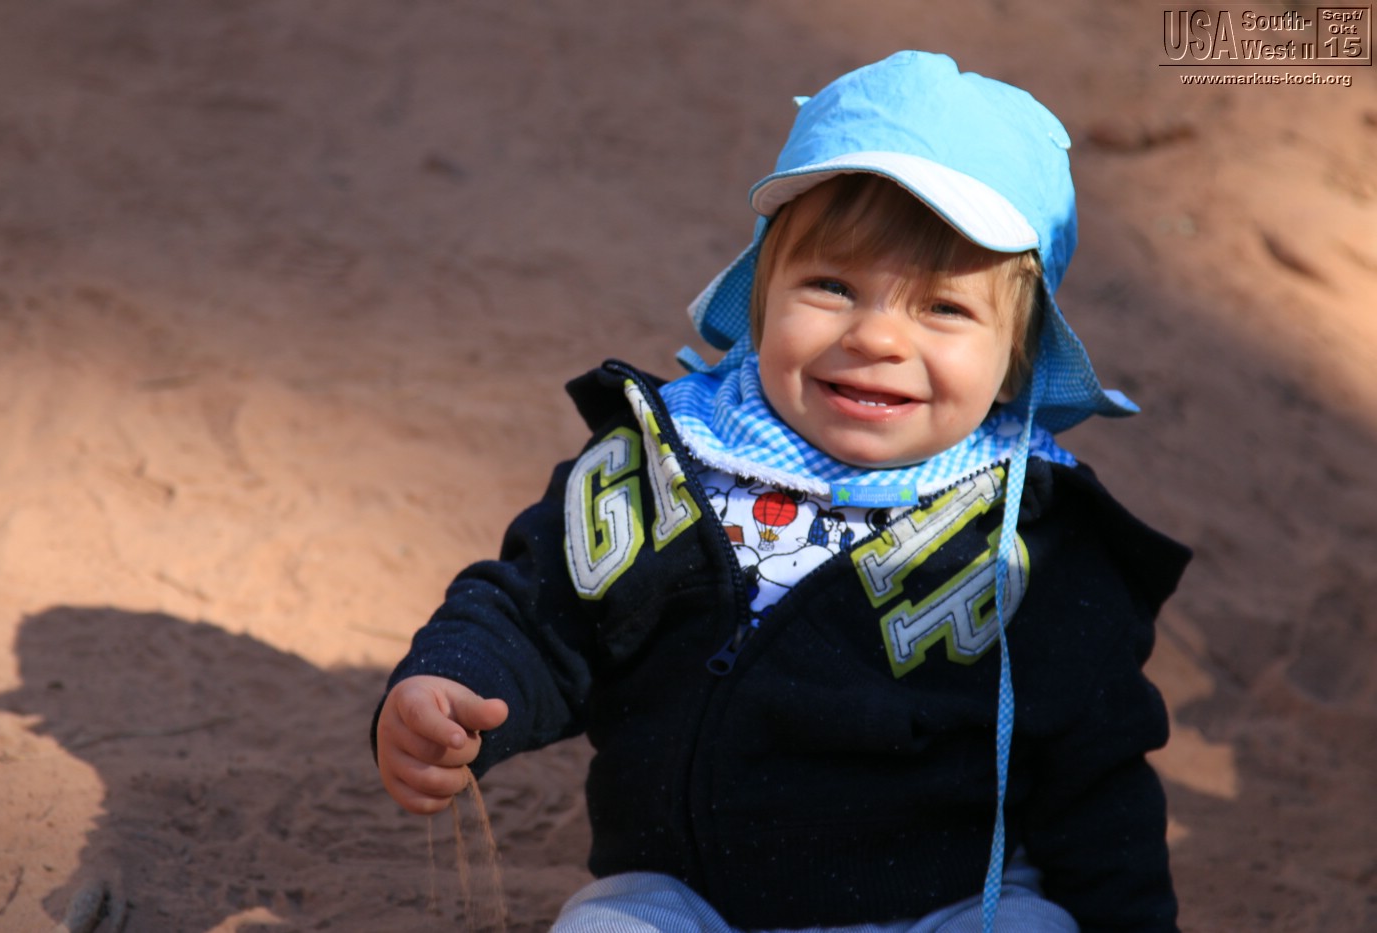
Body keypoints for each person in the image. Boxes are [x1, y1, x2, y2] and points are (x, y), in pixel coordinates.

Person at [372, 51, 1190, 933]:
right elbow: (541, 611)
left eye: (943, 308)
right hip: (690, 897)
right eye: (833, 286)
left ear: (1018, 358)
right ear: (762, 298)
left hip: (948, 902)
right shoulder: (668, 462)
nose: (876, 337)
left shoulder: (1034, 539)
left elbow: (1099, 770)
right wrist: (452, 683)